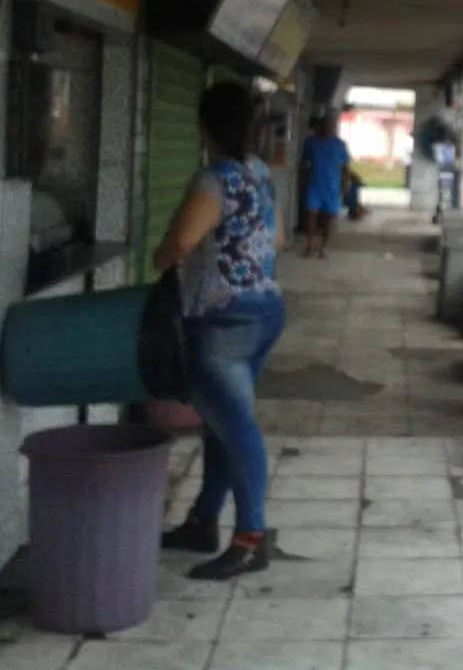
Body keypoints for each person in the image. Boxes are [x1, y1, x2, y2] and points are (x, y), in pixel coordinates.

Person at [155, 82, 286, 580]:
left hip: (223, 320)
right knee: (219, 420)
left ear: (204, 126)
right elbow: (275, 239)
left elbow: (180, 244)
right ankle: (203, 520)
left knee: (234, 426)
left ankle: (251, 539)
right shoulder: (258, 174)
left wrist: (162, 256)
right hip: (265, 310)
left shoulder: (213, 180)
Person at [301, 113, 351, 258]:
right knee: (311, 217)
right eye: (326, 125)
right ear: (321, 127)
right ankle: (310, 245)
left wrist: (346, 183)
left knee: (329, 220)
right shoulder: (311, 143)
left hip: (332, 187)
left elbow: (345, 167)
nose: (329, 129)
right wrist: (303, 182)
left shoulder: (339, 145)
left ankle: (324, 248)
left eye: (331, 126)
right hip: (314, 185)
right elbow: (304, 164)